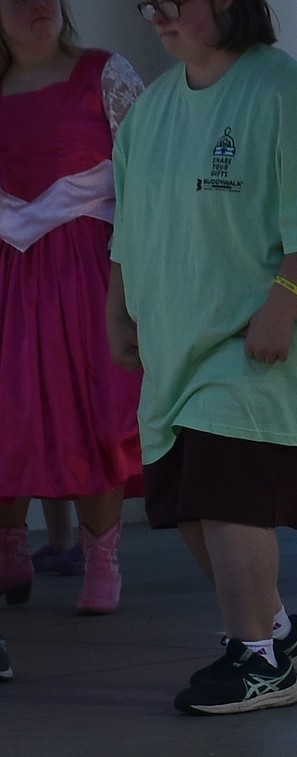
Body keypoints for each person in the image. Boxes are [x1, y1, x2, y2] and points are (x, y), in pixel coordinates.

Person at [108, 0, 297, 715]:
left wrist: (283, 304)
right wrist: (117, 306)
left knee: (225, 495)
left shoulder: (289, 96)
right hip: (178, 351)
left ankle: (259, 662)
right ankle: (280, 633)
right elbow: (126, 230)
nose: (156, 11)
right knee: (191, 504)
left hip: (263, 349)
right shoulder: (149, 113)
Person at [0, 0, 144, 614]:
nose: (38, 4)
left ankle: (103, 561)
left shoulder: (106, 73)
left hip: (91, 276)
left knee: (97, 412)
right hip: (9, 276)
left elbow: (150, 174)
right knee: (9, 414)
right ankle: (9, 551)